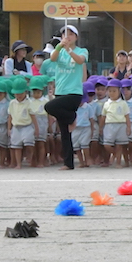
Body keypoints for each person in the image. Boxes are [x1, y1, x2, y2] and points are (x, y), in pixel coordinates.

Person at [44, 24, 89, 170]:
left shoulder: (82, 50)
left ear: (76, 37)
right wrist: (59, 47)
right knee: (64, 131)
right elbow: (52, 58)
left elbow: (80, 60)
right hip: (60, 91)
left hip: (74, 92)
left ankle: (72, 117)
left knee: (49, 106)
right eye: (65, 34)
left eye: (70, 34)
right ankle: (68, 162)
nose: (67, 37)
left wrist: (69, 49)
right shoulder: (60, 51)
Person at [99, 79, 131, 167]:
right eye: (110, 91)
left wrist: (128, 127)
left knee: (119, 145)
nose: (112, 93)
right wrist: (101, 127)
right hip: (109, 125)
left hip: (121, 124)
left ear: (119, 91)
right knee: (107, 144)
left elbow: (127, 116)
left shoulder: (123, 103)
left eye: (114, 91)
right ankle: (115, 155)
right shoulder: (106, 104)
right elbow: (103, 116)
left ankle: (118, 163)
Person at [5, 76, 35, 169]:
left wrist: (36, 128)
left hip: (27, 126)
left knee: (29, 143)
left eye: (21, 93)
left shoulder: (29, 102)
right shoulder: (12, 103)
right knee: (16, 146)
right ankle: (18, 164)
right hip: (16, 126)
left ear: (26, 92)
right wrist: (9, 128)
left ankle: (30, 156)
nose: (19, 95)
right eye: (16, 93)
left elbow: (33, 116)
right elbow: (10, 116)